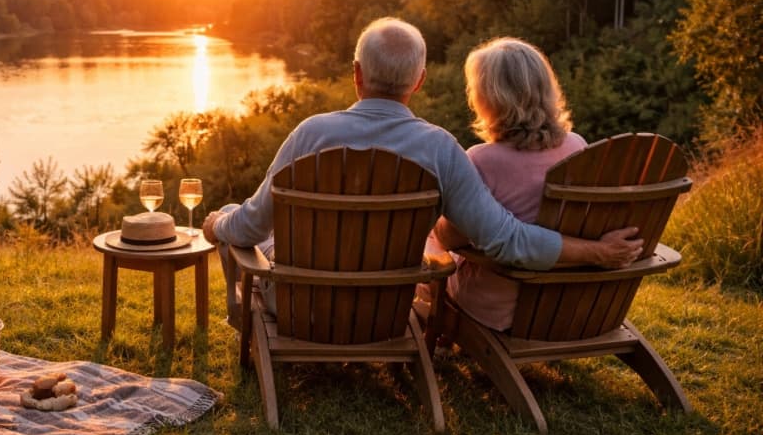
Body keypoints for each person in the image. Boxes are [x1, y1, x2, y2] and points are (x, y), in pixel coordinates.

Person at [201, 17, 642, 326]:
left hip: (300, 304)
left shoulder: (310, 135)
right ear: (419, 80)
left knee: (237, 218)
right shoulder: (441, 149)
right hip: (390, 307)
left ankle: (242, 320)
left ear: (356, 74)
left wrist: (218, 222)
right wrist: (596, 252)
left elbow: (249, 226)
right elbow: (506, 237)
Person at [417, 36, 585, 331]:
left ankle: (431, 327)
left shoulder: (482, 160)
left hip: (497, 306)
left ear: (487, 97)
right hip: (566, 302)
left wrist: (437, 222)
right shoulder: (578, 147)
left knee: (428, 242)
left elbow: (453, 239)